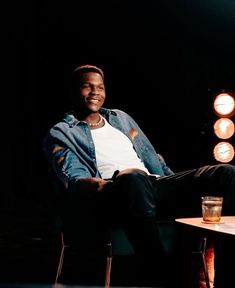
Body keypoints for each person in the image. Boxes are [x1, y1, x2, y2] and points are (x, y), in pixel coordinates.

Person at [43, 64, 235, 287]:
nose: (95, 92)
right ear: (72, 91)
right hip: (113, 193)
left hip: (152, 186)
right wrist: (110, 184)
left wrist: (177, 182)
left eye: (100, 87)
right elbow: (74, 178)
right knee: (132, 177)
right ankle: (158, 270)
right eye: (87, 86)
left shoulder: (121, 119)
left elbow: (149, 154)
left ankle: (228, 271)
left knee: (226, 173)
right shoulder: (61, 132)